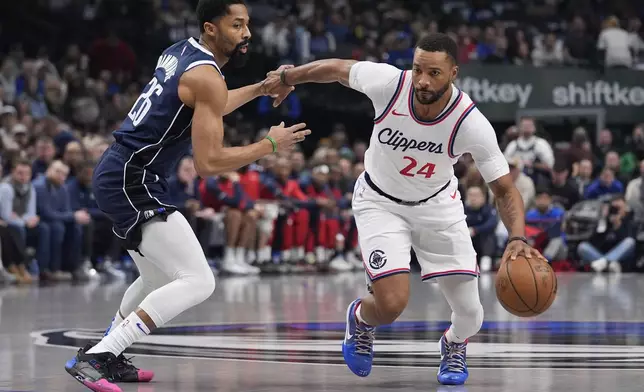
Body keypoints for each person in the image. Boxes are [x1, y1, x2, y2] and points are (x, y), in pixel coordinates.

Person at [264, 33, 546, 385]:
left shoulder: (469, 122)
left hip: (438, 207)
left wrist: (518, 236)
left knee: (472, 315)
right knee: (391, 304)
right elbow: (337, 69)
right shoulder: (390, 85)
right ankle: (361, 321)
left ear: (454, 72)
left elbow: (504, 189)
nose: (423, 81)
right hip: (380, 202)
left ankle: (454, 345)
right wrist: (288, 77)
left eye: (434, 73)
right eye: (417, 70)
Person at [64, 1, 308, 391]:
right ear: (211, 28)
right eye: (237, 25)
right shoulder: (207, 77)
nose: (246, 34)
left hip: (125, 172)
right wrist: (269, 145)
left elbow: (214, 100)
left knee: (155, 277)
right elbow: (209, 163)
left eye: (247, 25)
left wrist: (262, 89)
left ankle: (106, 354)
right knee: (198, 280)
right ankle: (97, 357)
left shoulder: (181, 51)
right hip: (132, 178)